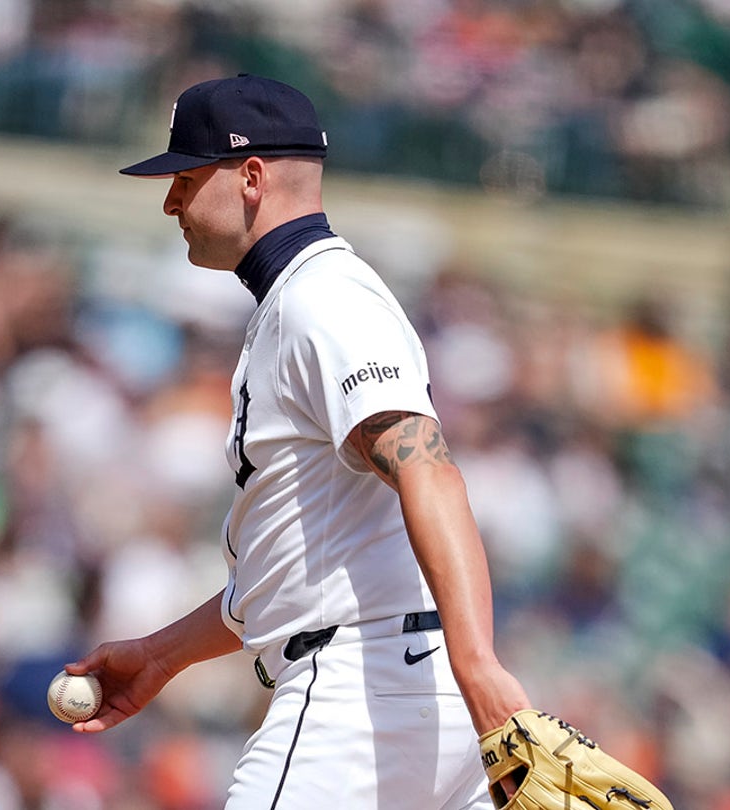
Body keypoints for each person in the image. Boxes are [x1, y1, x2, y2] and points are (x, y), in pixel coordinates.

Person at [63, 74, 532, 808]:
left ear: (250, 177)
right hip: (407, 688)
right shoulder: (302, 301)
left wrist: (478, 664)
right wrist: (162, 656)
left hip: (360, 694)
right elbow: (296, 571)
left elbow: (429, 469)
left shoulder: (324, 297)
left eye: (185, 177)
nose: (170, 202)